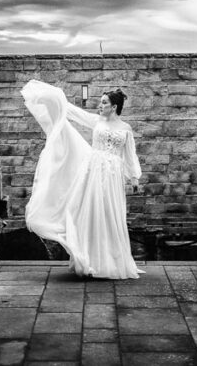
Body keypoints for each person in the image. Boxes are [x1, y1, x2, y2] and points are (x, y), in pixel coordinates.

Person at [21, 79, 142, 279]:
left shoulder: (126, 128)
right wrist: (51, 98)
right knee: (93, 213)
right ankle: (90, 259)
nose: (100, 105)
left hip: (113, 176)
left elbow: (130, 154)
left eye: (104, 102)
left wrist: (134, 177)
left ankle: (111, 261)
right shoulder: (97, 121)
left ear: (114, 107)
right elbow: (72, 112)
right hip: (93, 172)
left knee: (110, 214)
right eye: (101, 102)